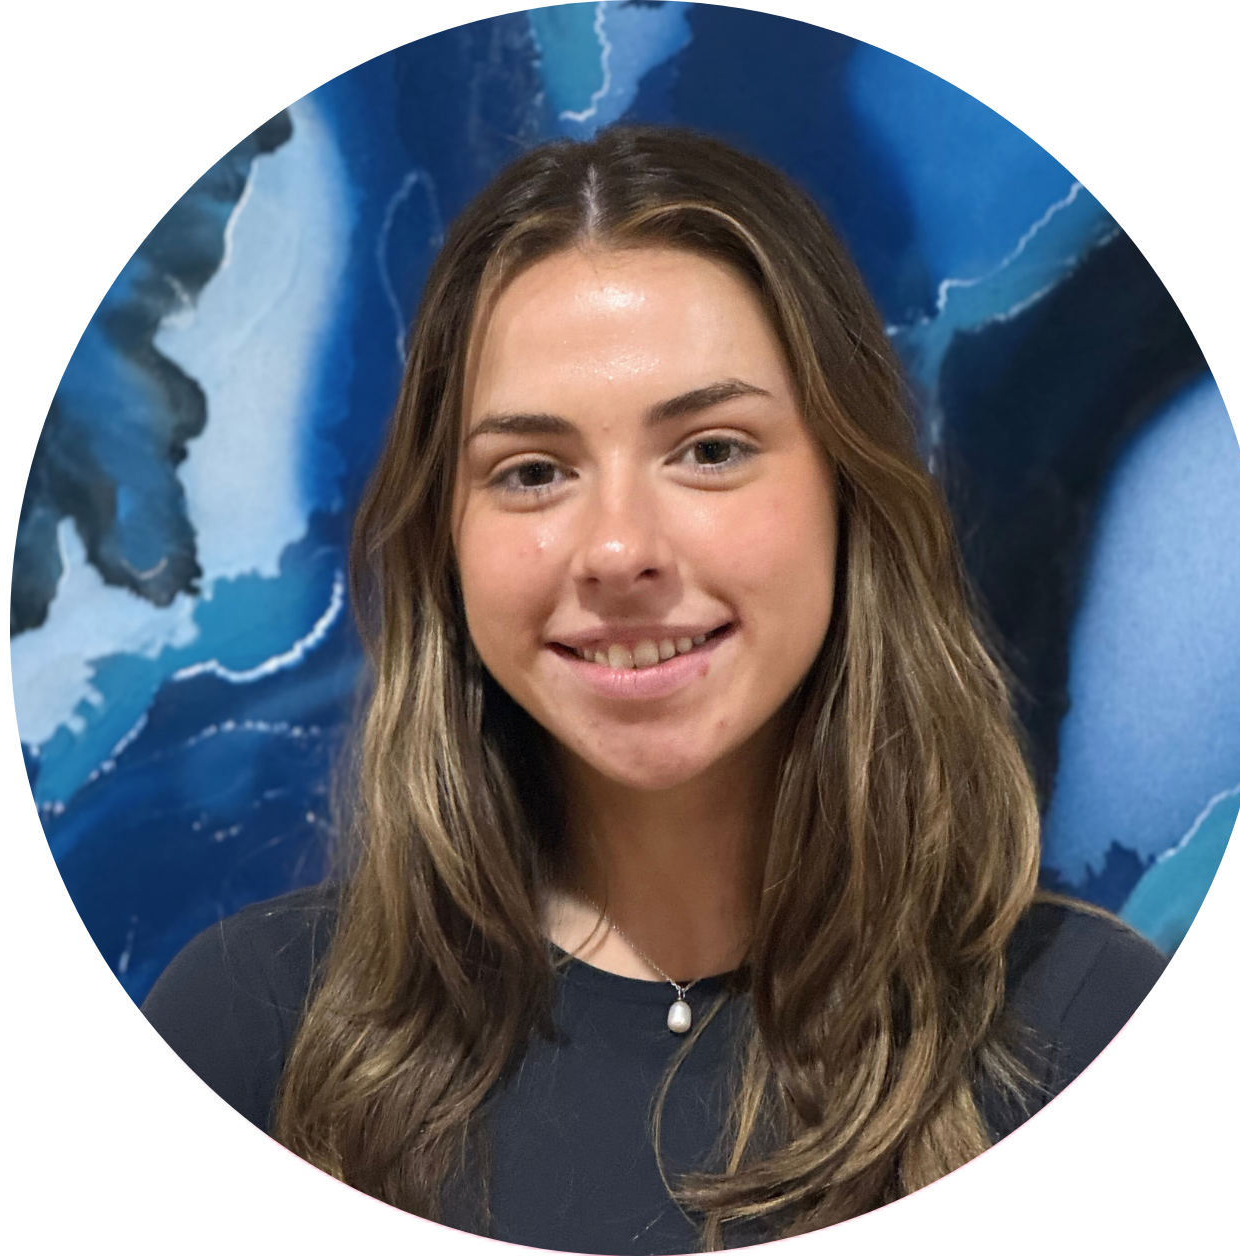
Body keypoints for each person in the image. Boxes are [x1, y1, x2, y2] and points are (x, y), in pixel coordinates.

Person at [141, 124, 1167, 1255]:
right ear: (447, 542)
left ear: (849, 492)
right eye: (534, 471)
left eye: (711, 449)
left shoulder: (1088, 1028)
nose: (619, 549)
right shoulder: (245, 1038)